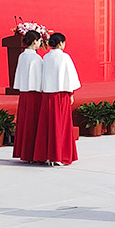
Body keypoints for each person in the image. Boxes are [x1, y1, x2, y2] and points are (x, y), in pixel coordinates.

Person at [33, 32, 80, 166]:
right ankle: (59, 156)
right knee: (61, 125)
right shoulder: (65, 57)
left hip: (47, 95)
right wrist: (71, 93)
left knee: (47, 125)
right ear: (60, 43)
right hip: (61, 95)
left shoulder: (46, 57)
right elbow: (70, 77)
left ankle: (47, 155)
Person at [12, 30, 43, 162]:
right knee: (33, 123)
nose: (40, 43)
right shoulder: (36, 58)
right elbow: (40, 78)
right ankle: (33, 153)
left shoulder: (22, 56)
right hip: (34, 94)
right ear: (34, 41)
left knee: (25, 122)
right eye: (40, 41)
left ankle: (24, 153)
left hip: (24, 93)